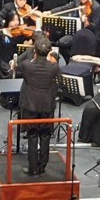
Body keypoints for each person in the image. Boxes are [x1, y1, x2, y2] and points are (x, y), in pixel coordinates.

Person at [14, 37, 61, 175]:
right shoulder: (54, 66)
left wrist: (31, 54)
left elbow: (17, 65)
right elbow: (59, 82)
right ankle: (42, 166)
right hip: (47, 105)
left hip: (30, 105)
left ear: (35, 51)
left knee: (32, 135)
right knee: (45, 135)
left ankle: (33, 167)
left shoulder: (27, 65)